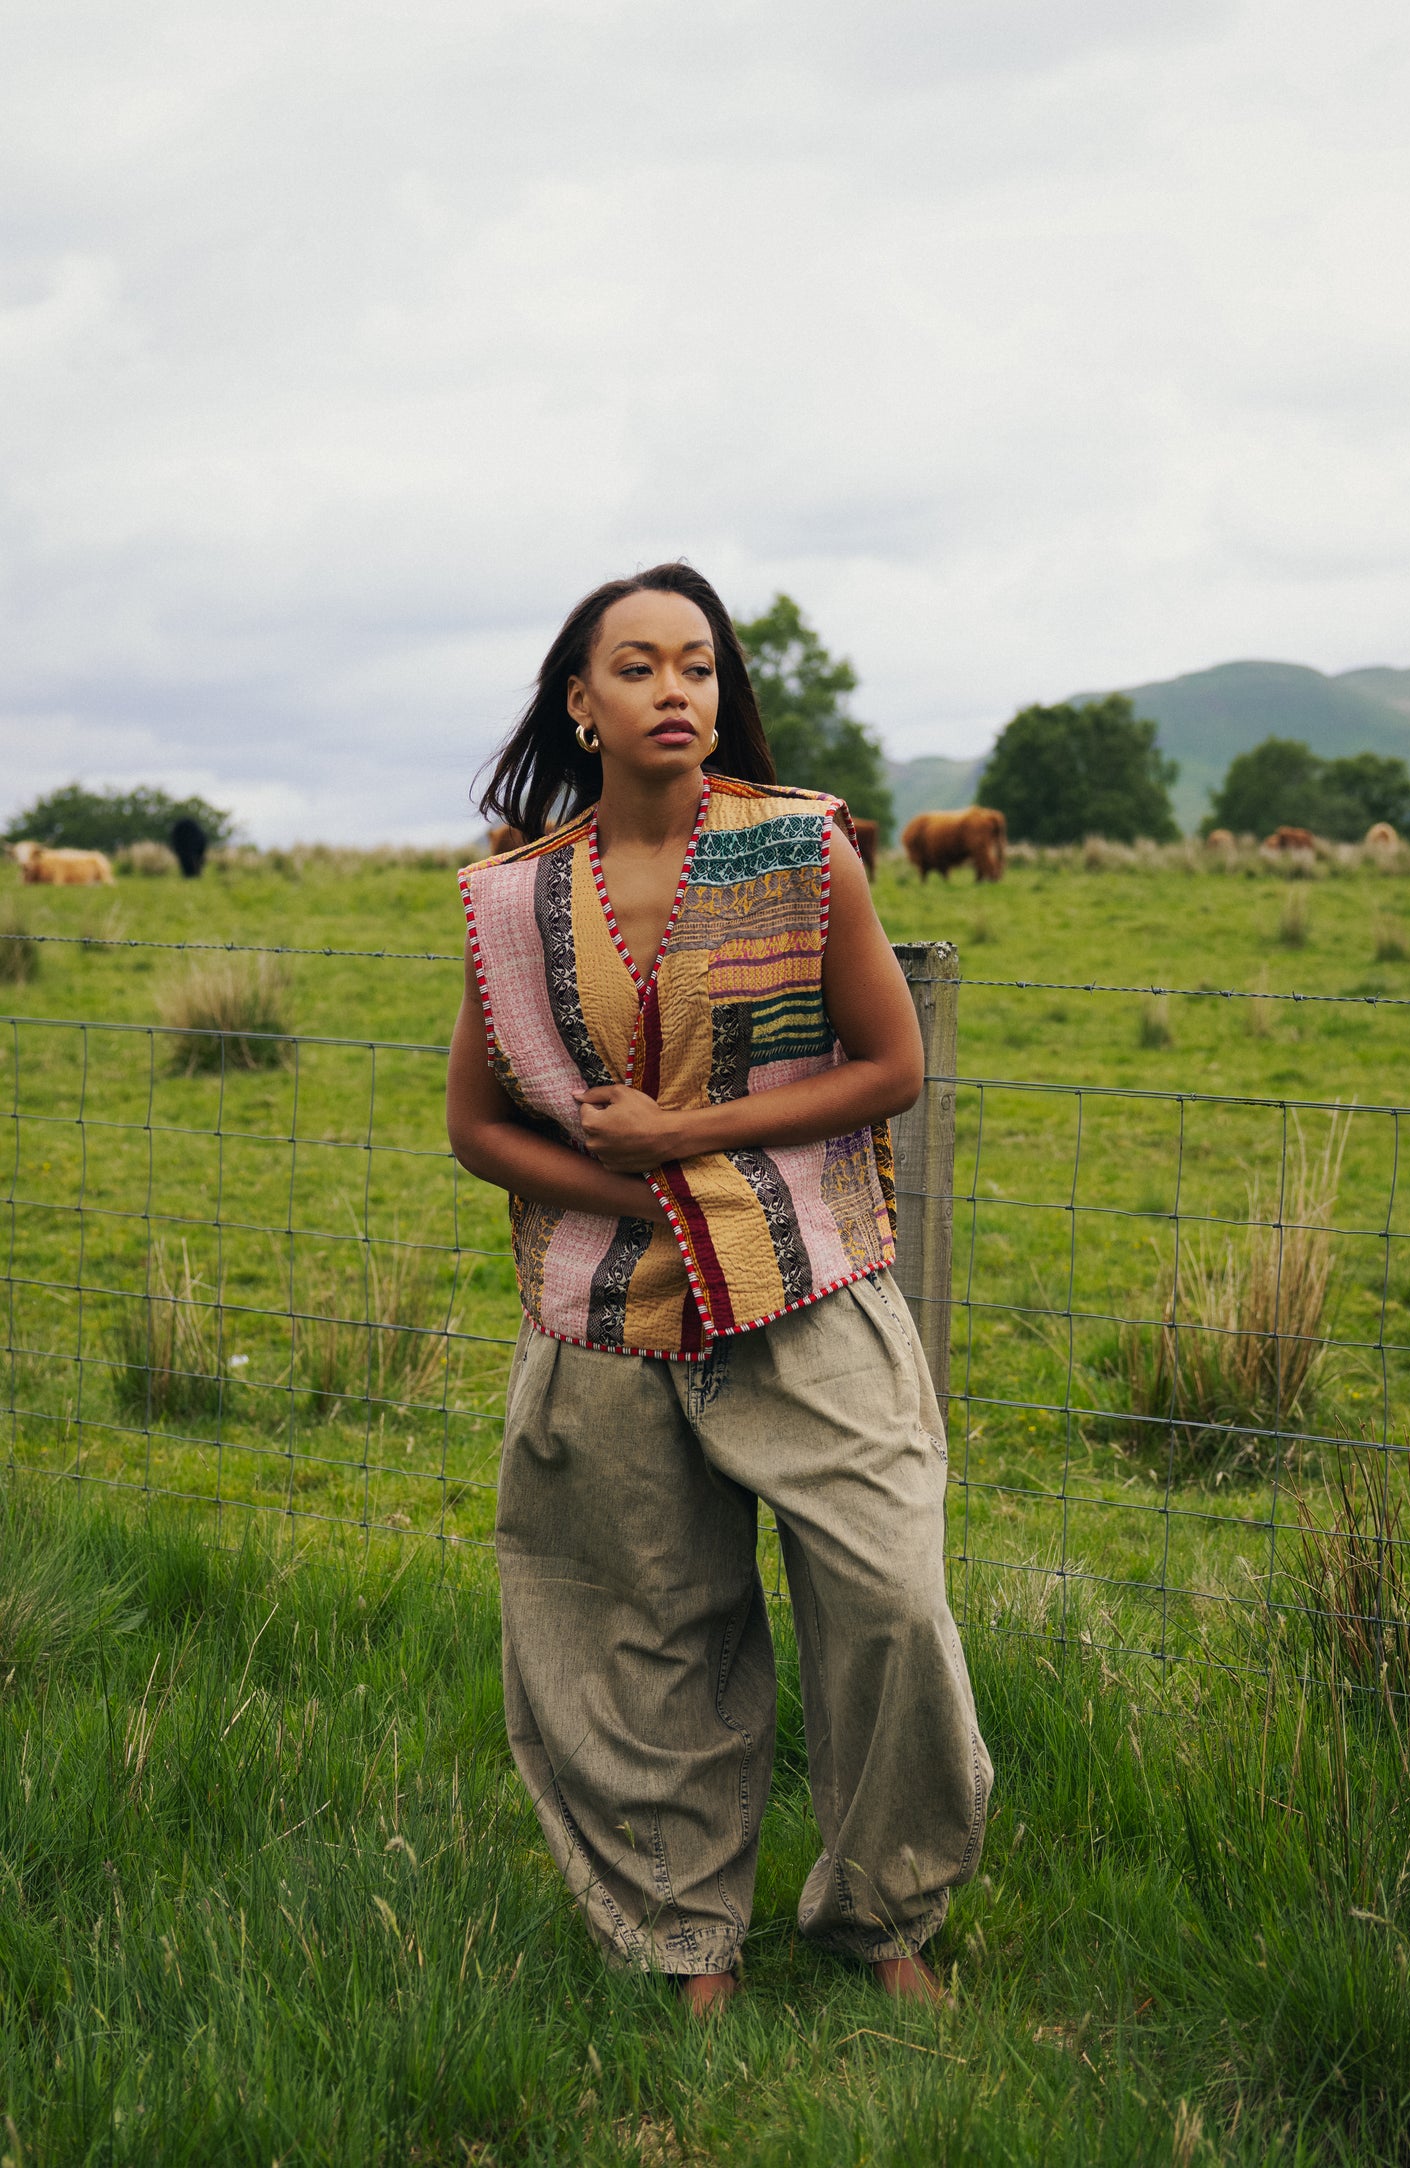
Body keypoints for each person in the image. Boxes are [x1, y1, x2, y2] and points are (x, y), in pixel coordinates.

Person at [447, 563, 992, 2016]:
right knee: (646, 1632)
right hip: (606, 1316)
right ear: (581, 703)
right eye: (636, 667)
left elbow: (890, 1070)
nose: (673, 689)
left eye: (696, 665)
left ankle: (883, 1915)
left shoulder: (804, 855)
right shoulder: (510, 903)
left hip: (807, 1283)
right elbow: (479, 1132)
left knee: (889, 1593)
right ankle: (687, 1941)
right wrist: (648, 1201)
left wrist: (686, 1144)